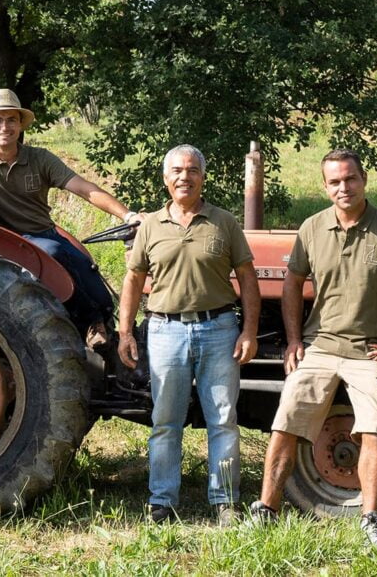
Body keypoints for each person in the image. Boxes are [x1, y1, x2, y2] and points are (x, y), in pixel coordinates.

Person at [250, 149, 377, 547]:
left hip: (367, 351)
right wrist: (295, 339)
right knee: (285, 420)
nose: (343, 187)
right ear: (325, 186)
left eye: (350, 179)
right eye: (335, 182)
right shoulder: (313, 228)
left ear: (363, 179)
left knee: (374, 426)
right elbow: (291, 282)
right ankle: (266, 508)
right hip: (319, 346)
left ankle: (371, 518)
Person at [118, 145, 259, 527]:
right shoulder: (150, 225)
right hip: (166, 330)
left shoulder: (223, 222)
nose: (185, 176)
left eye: (192, 170)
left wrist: (249, 329)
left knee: (223, 418)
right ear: (166, 179)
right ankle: (162, 500)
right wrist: (125, 331)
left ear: (202, 177)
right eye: (177, 170)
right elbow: (133, 279)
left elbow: (247, 277)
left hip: (218, 329)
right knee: (166, 419)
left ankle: (225, 500)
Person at [0, 88, 139, 346]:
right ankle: (89, 319)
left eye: (11, 119)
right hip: (2, 242)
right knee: (54, 252)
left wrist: (127, 215)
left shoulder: (40, 159)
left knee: (83, 264)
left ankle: (99, 321)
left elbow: (83, 189)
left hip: (40, 233)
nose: (4, 127)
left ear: (20, 124)